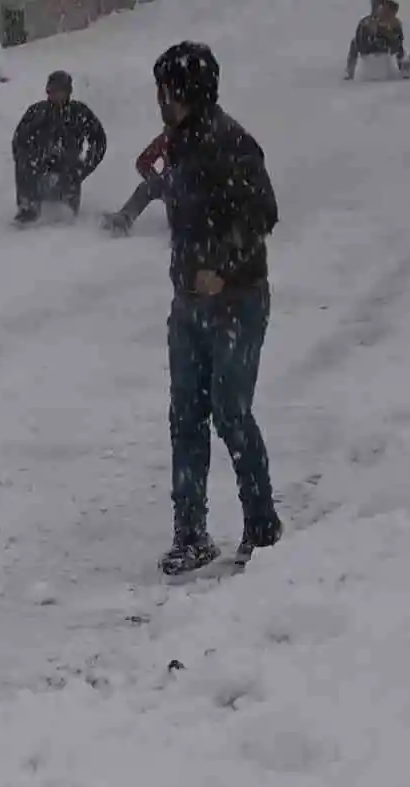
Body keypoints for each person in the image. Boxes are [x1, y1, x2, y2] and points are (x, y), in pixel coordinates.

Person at [152, 41, 283, 576]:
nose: (159, 99)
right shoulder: (180, 144)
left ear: (185, 91)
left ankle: (262, 526)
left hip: (237, 302)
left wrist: (222, 268)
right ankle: (191, 533)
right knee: (185, 416)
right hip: (188, 306)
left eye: (164, 89)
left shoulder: (233, 143)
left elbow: (264, 215)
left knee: (230, 410)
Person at [11, 70, 107, 225]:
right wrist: (27, 162)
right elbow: (19, 141)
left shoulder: (80, 112)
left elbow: (99, 140)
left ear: (68, 92)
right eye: (53, 91)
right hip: (39, 165)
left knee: (63, 215)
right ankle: (28, 207)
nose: (56, 96)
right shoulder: (36, 112)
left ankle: (65, 206)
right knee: (24, 161)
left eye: (60, 91)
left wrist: (84, 168)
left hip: (68, 168)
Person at [102, 128, 171, 236]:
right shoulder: (166, 138)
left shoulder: (199, 139)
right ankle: (124, 218)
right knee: (146, 187)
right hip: (173, 189)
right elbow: (143, 162)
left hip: (196, 195)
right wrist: (156, 180)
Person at [347, 0, 406, 80]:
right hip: (375, 53)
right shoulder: (367, 23)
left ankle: (350, 71)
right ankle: (403, 69)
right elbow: (398, 44)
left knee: (354, 43)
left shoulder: (367, 22)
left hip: (377, 53)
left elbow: (398, 43)